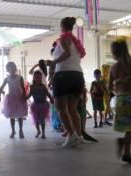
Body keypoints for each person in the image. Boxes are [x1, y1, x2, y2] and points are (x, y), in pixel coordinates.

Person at [47, 17, 86, 148]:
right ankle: (79, 136)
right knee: (72, 109)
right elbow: (73, 55)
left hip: (64, 75)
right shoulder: (76, 42)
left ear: (62, 26)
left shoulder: (63, 39)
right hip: (78, 76)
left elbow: (67, 53)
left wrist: (53, 62)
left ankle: (71, 135)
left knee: (60, 107)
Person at [0, 62, 28, 139]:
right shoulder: (7, 79)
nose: (13, 68)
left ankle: (21, 130)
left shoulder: (20, 78)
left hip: (19, 97)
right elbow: (1, 87)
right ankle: (13, 130)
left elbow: (23, 88)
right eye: (11, 67)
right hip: (11, 98)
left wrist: (24, 96)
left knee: (20, 115)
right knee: (12, 116)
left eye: (14, 67)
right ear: (8, 69)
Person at [27, 71, 53, 139]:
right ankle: (38, 131)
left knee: (42, 120)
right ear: (34, 78)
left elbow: (47, 93)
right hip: (35, 105)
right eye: (37, 77)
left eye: (40, 78)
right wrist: (25, 98)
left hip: (43, 105)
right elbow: (30, 94)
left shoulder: (43, 86)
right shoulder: (32, 86)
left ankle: (43, 133)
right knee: (36, 120)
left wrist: (51, 99)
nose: (39, 79)